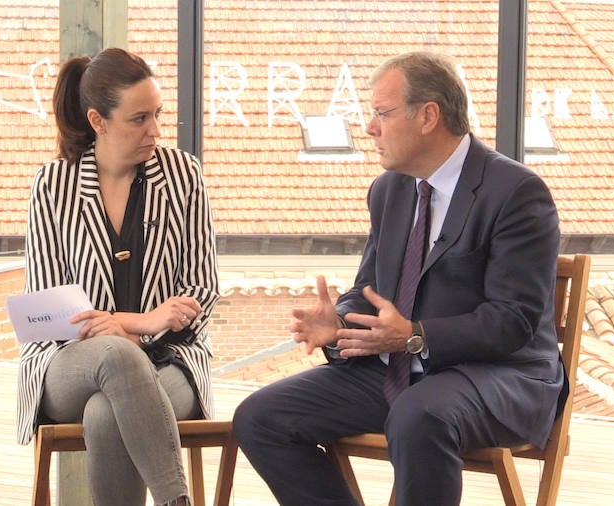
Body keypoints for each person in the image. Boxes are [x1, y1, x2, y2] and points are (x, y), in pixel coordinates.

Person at [232, 51, 563, 506]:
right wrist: (342, 325)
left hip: (501, 377)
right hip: (405, 374)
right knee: (260, 416)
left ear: (428, 115)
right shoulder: (389, 189)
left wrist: (415, 336)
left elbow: (513, 321)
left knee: (417, 414)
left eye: (382, 114)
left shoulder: (516, 192)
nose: (369, 128)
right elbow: (369, 291)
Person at [15, 47, 219, 506]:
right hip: (68, 361)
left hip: (172, 360)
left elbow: (201, 291)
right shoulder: (53, 184)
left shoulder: (184, 176)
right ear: (98, 121)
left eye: (158, 114)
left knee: (107, 414)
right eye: (139, 118)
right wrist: (141, 321)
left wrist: (136, 328)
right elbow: (47, 312)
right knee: (115, 356)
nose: (156, 130)